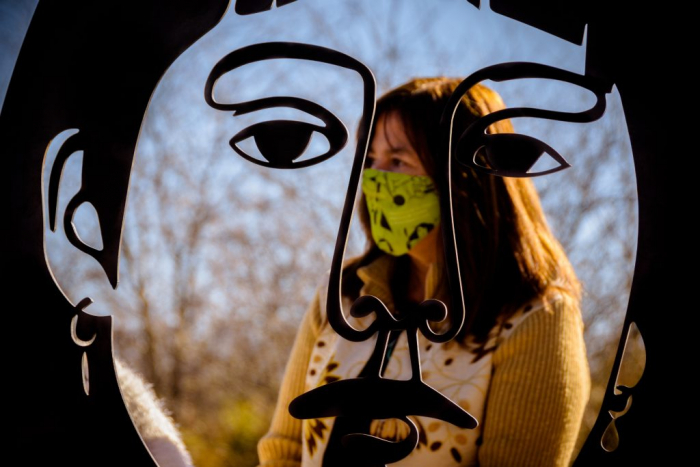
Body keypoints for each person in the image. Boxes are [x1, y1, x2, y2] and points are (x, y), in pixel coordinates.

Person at [256, 77, 590, 467]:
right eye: (370, 160)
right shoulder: (342, 295)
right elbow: (283, 449)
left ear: (466, 178)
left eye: (398, 161)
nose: (376, 179)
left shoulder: (536, 317)